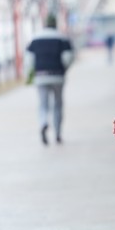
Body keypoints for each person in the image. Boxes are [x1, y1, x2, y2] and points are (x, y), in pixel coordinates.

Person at [24, 14, 74, 145]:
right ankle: (57, 133)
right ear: (55, 24)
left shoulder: (35, 38)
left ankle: (43, 122)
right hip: (58, 75)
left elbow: (29, 60)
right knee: (58, 104)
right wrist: (63, 69)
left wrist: (32, 73)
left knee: (43, 104)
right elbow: (68, 57)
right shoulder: (62, 38)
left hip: (40, 76)